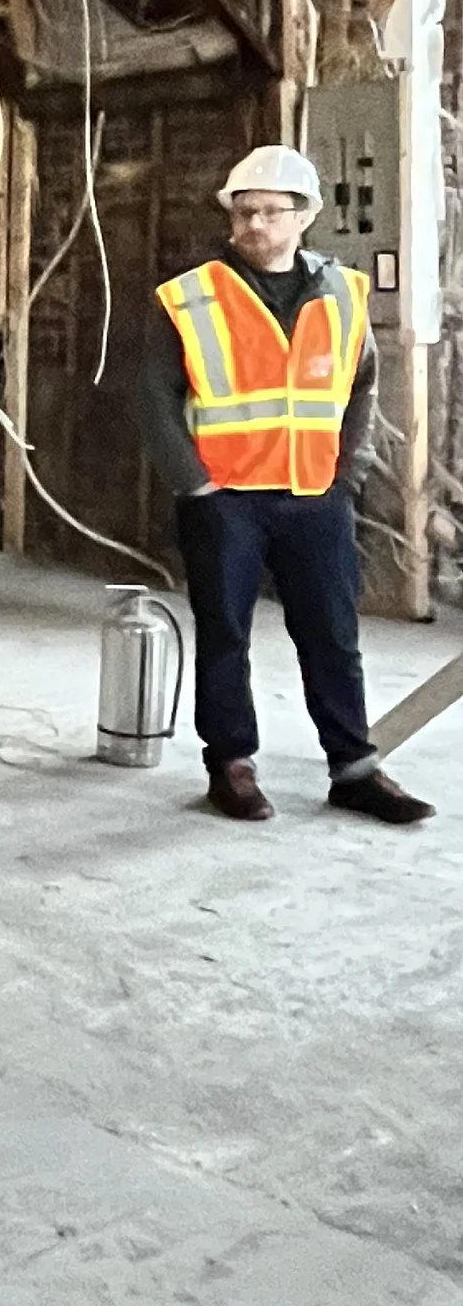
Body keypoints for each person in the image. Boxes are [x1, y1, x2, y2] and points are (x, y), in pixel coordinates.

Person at [140, 144, 433, 824]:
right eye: (242, 212)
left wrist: (346, 472)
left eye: (269, 212)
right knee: (224, 635)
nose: (252, 225)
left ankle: (355, 767)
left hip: (313, 495)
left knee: (332, 631)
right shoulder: (190, 296)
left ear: (304, 217)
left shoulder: (344, 292)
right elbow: (155, 395)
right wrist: (195, 483)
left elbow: (362, 383)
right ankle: (232, 764)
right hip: (226, 498)